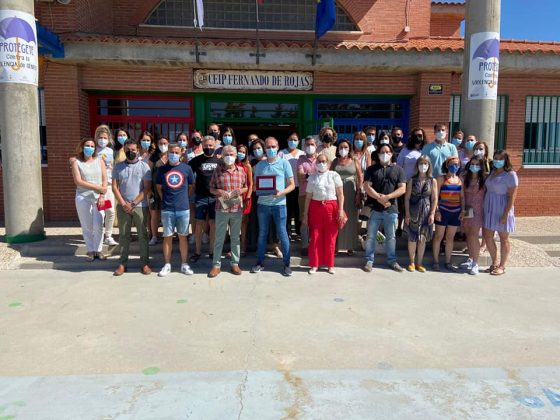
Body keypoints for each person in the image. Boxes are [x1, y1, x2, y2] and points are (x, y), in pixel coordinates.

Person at [251, 137, 295, 276]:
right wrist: (258, 189)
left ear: (277, 147)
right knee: (262, 234)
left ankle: (287, 264)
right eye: (268, 147)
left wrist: (281, 192)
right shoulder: (259, 165)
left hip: (279, 205)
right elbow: (255, 186)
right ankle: (259, 262)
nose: (271, 149)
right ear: (265, 149)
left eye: (273, 146)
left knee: (282, 234)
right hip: (262, 205)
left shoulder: (284, 163)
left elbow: (292, 185)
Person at [363, 144, 406, 273]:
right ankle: (369, 260)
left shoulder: (398, 170)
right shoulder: (371, 169)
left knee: (391, 237)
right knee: (371, 236)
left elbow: (402, 188)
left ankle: (392, 260)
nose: (385, 154)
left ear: (392, 153)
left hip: (391, 209)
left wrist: (387, 197)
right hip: (374, 209)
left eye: (387, 151)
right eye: (382, 152)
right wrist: (379, 198)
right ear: (378, 154)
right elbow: (367, 186)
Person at [112, 139, 152, 276]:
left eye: (133, 150)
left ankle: (144, 263)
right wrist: (123, 203)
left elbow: (147, 188)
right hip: (123, 206)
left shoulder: (144, 167)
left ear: (138, 150)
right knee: (124, 235)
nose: (131, 152)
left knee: (143, 235)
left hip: (140, 206)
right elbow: (114, 187)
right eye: (128, 150)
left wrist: (133, 203)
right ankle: (122, 263)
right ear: (124, 150)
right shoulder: (118, 166)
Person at [208, 145, 249, 277]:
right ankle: (216, 265)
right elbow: (211, 188)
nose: (229, 157)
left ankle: (235, 263)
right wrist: (219, 191)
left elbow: (246, 187)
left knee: (235, 238)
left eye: (232, 154)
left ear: (236, 156)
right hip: (221, 209)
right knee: (219, 238)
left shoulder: (241, 171)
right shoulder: (217, 171)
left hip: (237, 209)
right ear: (222, 156)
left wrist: (240, 191)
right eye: (226, 154)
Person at [156, 143, 195, 276]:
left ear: (181, 154)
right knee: (167, 237)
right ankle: (167, 264)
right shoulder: (161, 169)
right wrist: (165, 199)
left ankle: (184, 264)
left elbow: (191, 186)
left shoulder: (187, 168)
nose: (174, 155)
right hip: (167, 209)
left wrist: (184, 198)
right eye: (171, 152)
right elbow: (159, 187)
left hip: (183, 208)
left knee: (183, 237)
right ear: (167, 153)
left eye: (176, 152)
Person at [302, 154, 344, 274]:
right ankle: (315, 264)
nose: (321, 163)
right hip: (315, 207)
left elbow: (340, 195)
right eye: (319, 161)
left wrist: (340, 210)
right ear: (316, 164)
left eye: (324, 161)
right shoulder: (312, 177)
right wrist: (305, 214)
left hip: (331, 207)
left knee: (331, 237)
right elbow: (308, 197)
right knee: (315, 236)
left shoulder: (334, 175)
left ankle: (330, 264)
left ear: (329, 163)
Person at [482, 150, 518, 276]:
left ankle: (502, 266)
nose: (497, 161)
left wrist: (506, 214)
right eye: (495, 158)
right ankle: (494, 262)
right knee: (488, 236)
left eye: (500, 159)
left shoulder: (511, 175)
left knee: (504, 238)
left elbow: (512, 196)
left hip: (502, 208)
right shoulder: (492, 172)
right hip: (489, 207)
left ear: (505, 160)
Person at [72, 137, 107, 261]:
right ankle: (91, 250)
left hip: (100, 198)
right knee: (86, 225)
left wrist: (102, 194)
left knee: (99, 224)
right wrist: (97, 187)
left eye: (92, 146)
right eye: (87, 146)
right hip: (82, 197)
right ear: (82, 147)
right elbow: (78, 181)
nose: (90, 148)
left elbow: (105, 179)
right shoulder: (76, 162)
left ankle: (99, 250)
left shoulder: (100, 160)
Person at [188, 135, 221, 262]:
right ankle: (197, 252)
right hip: (200, 196)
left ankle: (212, 252)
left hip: (215, 198)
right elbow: (186, 172)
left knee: (213, 225)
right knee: (199, 224)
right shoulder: (196, 160)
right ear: (202, 146)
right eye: (206, 145)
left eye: (210, 146)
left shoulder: (220, 161)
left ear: (214, 146)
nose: (208, 148)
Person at [403, 156, 437, 272]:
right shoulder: (412, 180)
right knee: (412, 238)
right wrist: (407, 214)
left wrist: (432, 213)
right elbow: (407, 198)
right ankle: (412, 262)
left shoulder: (432, 181)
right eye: (421, 163)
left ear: (429, 165)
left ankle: (420, 263)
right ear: (417, 165)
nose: (423, 166)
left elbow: (434, 199)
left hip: (426, 213)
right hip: (413, 212)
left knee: (422, 238)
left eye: (426, 163)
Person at [432, 156, 465, 271]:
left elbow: (462, 197)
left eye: (457, 164)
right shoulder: (441, 178)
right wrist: (436, 210)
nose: (454, 166)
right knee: (438, 236)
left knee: (450, 237)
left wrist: (463, 210)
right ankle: (435, 261)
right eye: (452, 164)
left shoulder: (460, 180)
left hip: (455, 212)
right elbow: (435, 196)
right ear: (447, 165)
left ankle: (448, 261)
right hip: (442, 211)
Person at [332, 139, 362, 255]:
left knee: (350, 219)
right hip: (336, 192)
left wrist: (358, 193)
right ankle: (336, 246)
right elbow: (329, 175)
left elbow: (360, 177)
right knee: (337, 218)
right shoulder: (335, 161)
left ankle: (350, 246)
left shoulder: (354, 160)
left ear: (349, 149)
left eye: (345, 147)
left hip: (351, 192)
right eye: (341, 147)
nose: (343, 149)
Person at [460, 156, 486, 275]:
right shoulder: (465, 178)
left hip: (478, 210)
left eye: (477, 164)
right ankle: (470, 259)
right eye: (472, 164)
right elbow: (461, 195)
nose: (474, 166)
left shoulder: (484, 179)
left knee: (474, 236)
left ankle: (475, 263)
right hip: (466, 210)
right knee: (468, 235)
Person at [94, 124, 118, 246]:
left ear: (109, 139)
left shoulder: (110, 151)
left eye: (105, 138)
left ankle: (108, 236)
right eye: (100, 137)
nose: (102, 140)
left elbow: (113, 167)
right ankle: (98, 236)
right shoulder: (93, 150)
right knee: (100, 212)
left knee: (110, 211)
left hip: (108, 185)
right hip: (96, 187)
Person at [296, 136, 318, 257]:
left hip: (318, 195)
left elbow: (324, 173)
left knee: (316, 220)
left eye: (312, 144)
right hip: (304, 194)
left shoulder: (321, 159)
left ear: (316, 145)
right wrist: (314, 175)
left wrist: (307, 175)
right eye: (308, 144)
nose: (310, 147)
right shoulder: (301, 160)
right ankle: (304, 245)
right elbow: (300, 176)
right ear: (304, 146)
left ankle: (315, 244)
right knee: (304, 219)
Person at [280, 132, 304, 240]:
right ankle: (288, 231)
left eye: (295, 140)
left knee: (298, 209)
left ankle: (298, 231)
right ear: (287, 140)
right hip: (287, 187)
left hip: (300, 186)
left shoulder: (302, 153)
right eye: (290, 139)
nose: (292, 142)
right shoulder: (281, 153)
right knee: (288, 210)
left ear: (298, 141)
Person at [147, 135, 169, 245]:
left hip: (169, 191)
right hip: (155, 190)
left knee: (167, 213)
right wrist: (149, 189)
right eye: (161, 143)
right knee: (155, 213)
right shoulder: (153, 157)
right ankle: (155, 236)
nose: (163, 145)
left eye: (165, 143)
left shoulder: (171, 156)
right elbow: (148, 174)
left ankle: (167, 234)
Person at [236, 144, 253, 255]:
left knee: (243, 223)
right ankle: (234, 247)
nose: (241, 154)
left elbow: (251, 184)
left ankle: (243, 247)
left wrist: (248, 197)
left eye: (243, 152)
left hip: (245, 196)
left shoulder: (247, 166)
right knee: (233, 223)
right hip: (233, 197)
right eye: (239, 151)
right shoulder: (231, 165)